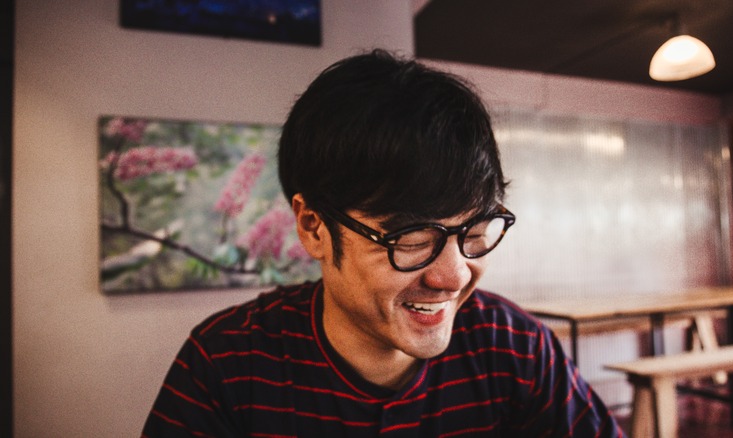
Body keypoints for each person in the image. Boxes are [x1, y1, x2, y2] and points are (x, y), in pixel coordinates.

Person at [142, 49, 623, 437]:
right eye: (412, 239)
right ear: (313, 227)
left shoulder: (513, 348)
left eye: (475, 232)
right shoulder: (228, 365)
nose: (453, 276)